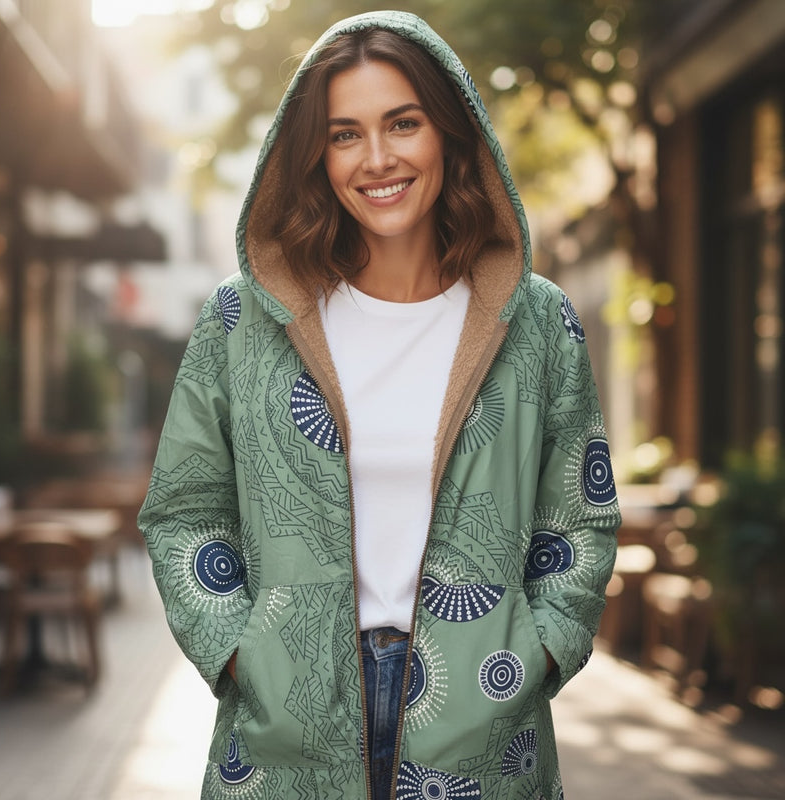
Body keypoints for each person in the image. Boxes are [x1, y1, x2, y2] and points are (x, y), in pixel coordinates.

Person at [138, 10, 620, 800]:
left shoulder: (535, 322)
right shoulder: (245, 320)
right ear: (315, 155)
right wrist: (239, 651)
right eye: (344, 134)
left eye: (404, 123)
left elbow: (580, 514)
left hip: (484, 727)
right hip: (287, 727)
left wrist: (535, 653)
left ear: (452, 133)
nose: (379, 158)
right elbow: (184, 509)